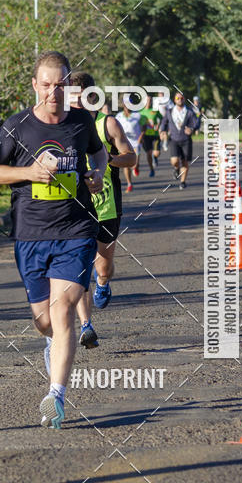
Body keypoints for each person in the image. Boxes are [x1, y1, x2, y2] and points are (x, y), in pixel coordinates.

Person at [0, 51, 108, 429]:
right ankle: (53, 346)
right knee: (44, 322)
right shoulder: (17, 126)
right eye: (46, 85)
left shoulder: (81, 121)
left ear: (69, 85)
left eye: (60, 84)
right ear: (35, 86)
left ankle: (56, 395)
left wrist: (99, 174)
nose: (53, 92)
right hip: (31, 234)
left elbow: (99, 153)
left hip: (76, 230)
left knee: (63, 309)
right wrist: (29, 173)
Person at [68, 71, 136, 349]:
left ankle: (104, 282)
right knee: (81, 266)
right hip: (75, 207)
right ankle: (86, 326)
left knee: (103, 265)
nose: (75, 102)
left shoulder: (107, 124)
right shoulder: (61, 125)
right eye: (71, 97)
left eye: (80, 96)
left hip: (107, 205)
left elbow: (131, 158)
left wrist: (110, 159)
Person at [159, 90, 198, 188]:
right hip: (174, 139)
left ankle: (183, 182)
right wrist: (163, 130)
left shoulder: (189, 112)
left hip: (186, 140)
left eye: (181, 98)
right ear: (174, 100)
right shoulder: (170, 111)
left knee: (185, 162)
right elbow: (164, 122)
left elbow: (196, 123)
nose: (180, 100)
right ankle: (176, 169)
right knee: (174, 161)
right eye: (177, 98)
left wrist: (191, 129)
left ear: (184, 99)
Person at [114, 95, 146, 191]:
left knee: (135, 163)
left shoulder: (138, 115)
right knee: (126, 163)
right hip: (124, 143)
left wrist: (140, 138)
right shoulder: (118, 116)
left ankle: (136, 167)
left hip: (136, 142)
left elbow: (144, 128)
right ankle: (129, 184)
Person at [141, 95, 162, 177]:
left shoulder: (155, 110)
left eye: (150, 100)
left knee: (156, 153)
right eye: (147, 100)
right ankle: (151, 169)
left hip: (155, 135)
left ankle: (155, 157)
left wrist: (158, 125)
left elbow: (162, 118)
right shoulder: (141, 112)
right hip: (146, 136)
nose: (149, 102)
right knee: (149, 153)